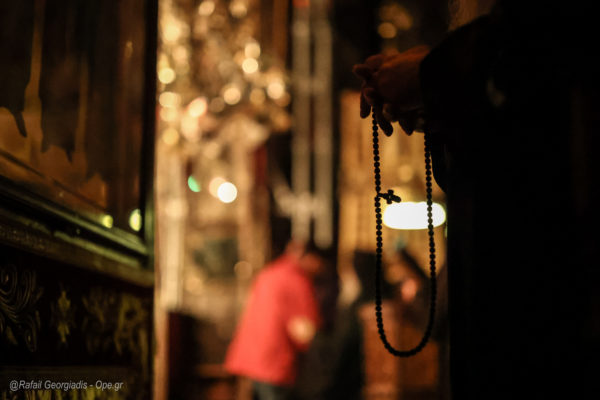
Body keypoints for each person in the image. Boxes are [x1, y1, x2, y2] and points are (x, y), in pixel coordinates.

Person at [225, 240, 324, 400]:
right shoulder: (296, 280)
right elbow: (305, 329)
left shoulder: (270, 272)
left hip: (253, 355)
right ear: (311, 258)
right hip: (275, 359)